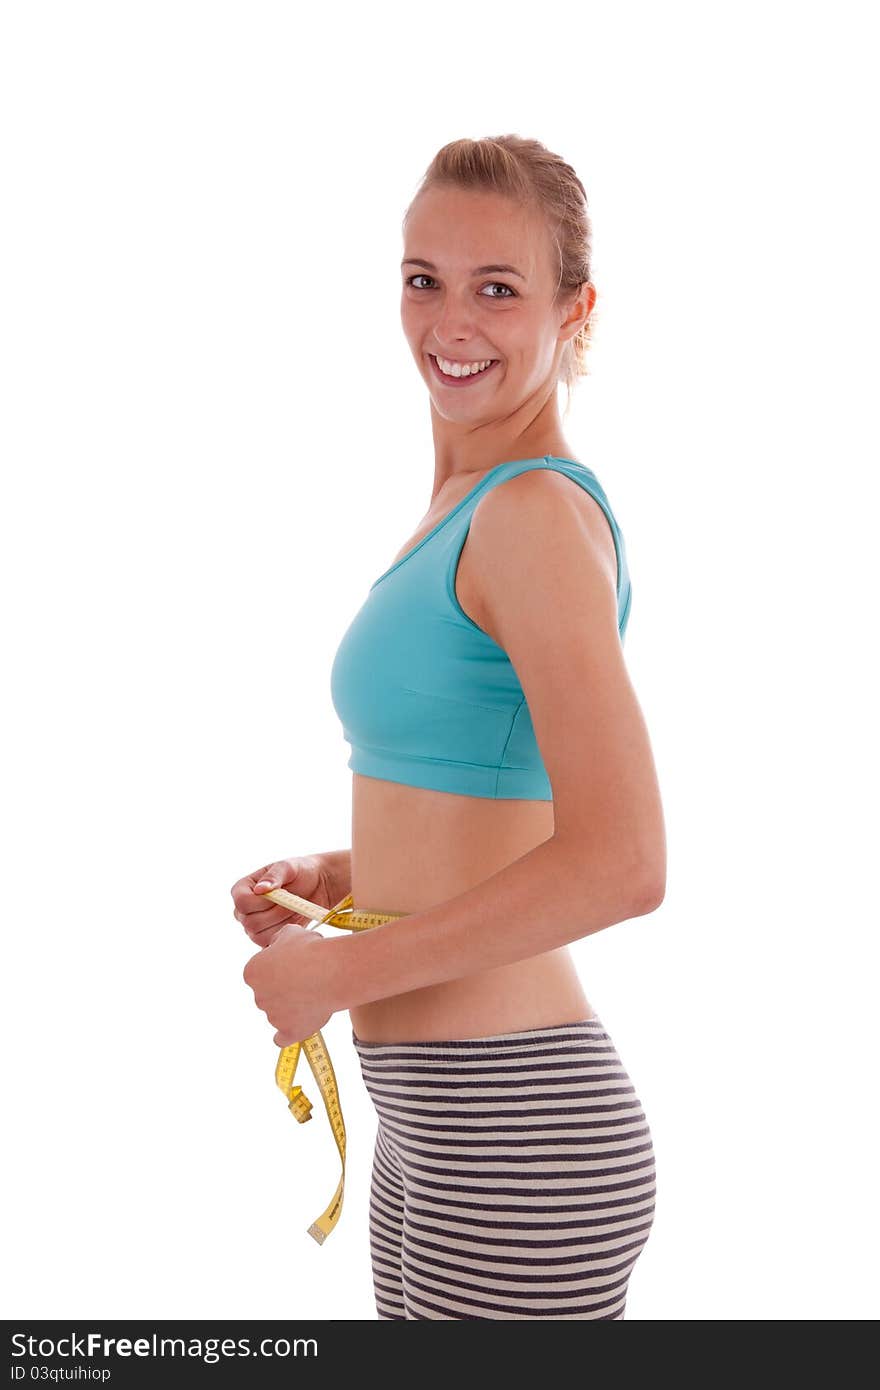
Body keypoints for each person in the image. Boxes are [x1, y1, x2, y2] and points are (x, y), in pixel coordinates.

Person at [231, 134, 666, 1320]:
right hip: (431, 1129)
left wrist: (344, 969)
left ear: (574, 311)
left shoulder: (529, 514)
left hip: (515, 1134)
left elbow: (625, 863)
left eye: (498, 288)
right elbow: (503, 813)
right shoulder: (470, 508)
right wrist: (347, 876)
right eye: (424, 279)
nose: (450, 322)